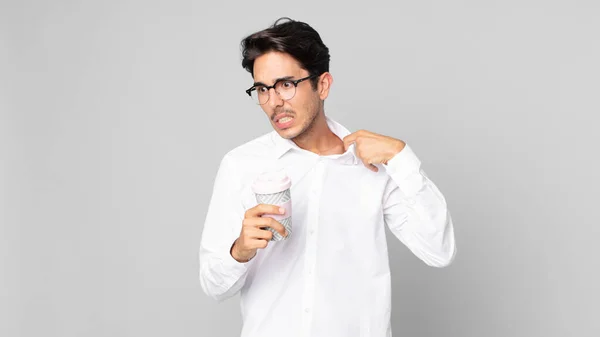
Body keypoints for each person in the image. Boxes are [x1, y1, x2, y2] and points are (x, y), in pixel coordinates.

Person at [198, 17, 456, 337]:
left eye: (286, 85)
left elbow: (439, 250)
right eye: (262, 89)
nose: (274, 102)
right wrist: (240, 251)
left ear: (322, 85)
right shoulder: (241, 165)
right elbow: (213, 285)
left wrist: (401, 158)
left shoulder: (372, 165)